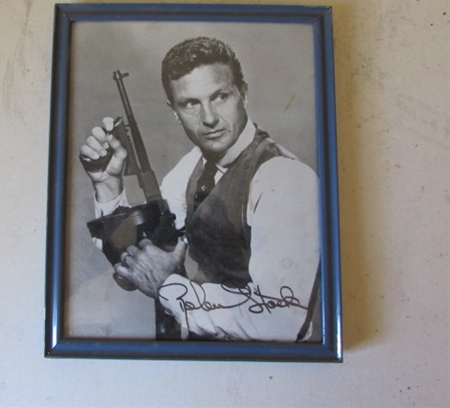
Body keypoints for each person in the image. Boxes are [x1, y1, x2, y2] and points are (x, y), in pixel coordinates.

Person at [79, 37, 320, 342]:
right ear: (174, 111)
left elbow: (283, 321)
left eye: (220, 97)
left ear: (243, 94)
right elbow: (135, 268)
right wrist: (107, 184)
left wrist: (169, 288)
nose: (208, 119)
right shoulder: (192, 167)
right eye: (191, 103)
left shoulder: (284, 179)